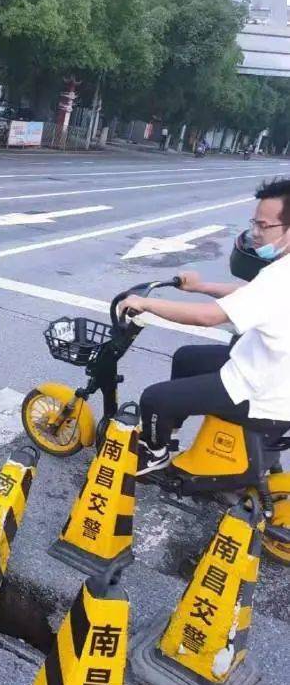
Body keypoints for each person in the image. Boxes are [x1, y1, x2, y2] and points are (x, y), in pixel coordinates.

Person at [119, 177, 290, 476]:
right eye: (255, 223)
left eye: (264, 226)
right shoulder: (280, 271)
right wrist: (199, 286)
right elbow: (248, 296)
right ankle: (167, 433)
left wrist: (147, 304)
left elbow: (208, 317)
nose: (255, 233)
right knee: (187, 357)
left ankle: (154, 454)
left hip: (262, 395)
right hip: (265, 369)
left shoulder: (280, 277)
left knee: (154, 398)